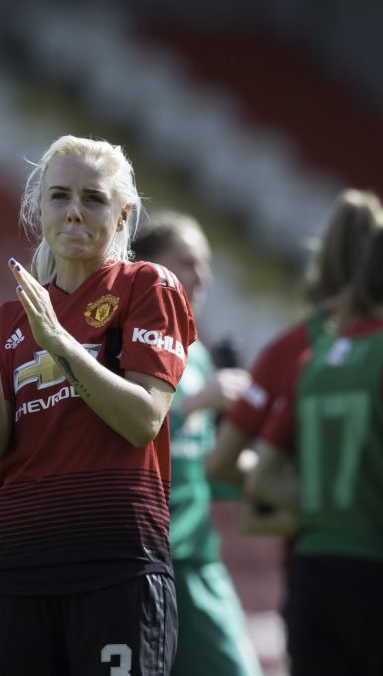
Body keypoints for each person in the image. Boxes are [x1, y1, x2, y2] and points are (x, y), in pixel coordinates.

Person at [0, 134, 196, 676]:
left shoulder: (147, 285)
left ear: (123, 214)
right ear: (39, 209)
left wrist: (61, 344)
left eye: (93, 198)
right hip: (20, 570)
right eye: (60, 196)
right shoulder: (9, 319)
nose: (74, 211)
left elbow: (144, 420)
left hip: (116, 568)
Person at [246, 218, 383, 676]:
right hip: (377, 572)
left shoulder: (314, 359)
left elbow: (260, 478)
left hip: (310, 571)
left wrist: (323, 512)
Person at [132, 212, 262, 676]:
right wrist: (196, 404)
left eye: (205, 263)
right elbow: (113, 436)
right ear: (145, 267)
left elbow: (202, 463)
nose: (201, 276)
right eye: (186, 262)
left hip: (191, 557)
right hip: (138, 559)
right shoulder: (122, 345)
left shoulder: (199, 355)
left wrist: (263, 472)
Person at [207, 189, 383, 489]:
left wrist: (312, 499)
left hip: (312, 533)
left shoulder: (290, 348)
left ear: (323, 258)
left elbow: (221, 462)